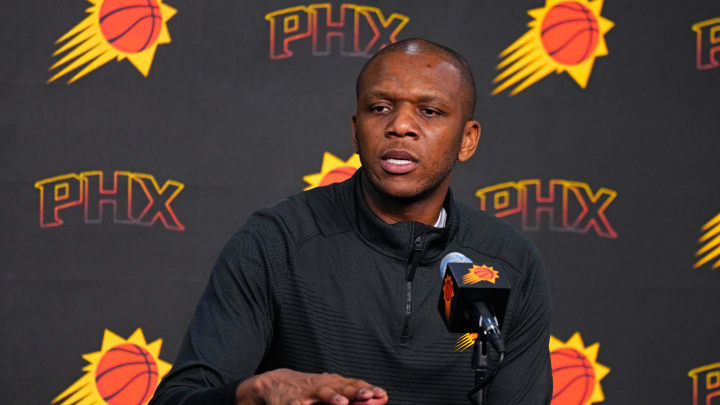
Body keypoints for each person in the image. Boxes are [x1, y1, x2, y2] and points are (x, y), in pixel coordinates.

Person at [149, 38, 552, 405]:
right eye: (380, 108)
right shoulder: (276, 242)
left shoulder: (509, 262)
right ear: (355, 131)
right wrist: (255, 393)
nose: (400, 126)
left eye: (429, 112)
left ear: (467, 139)